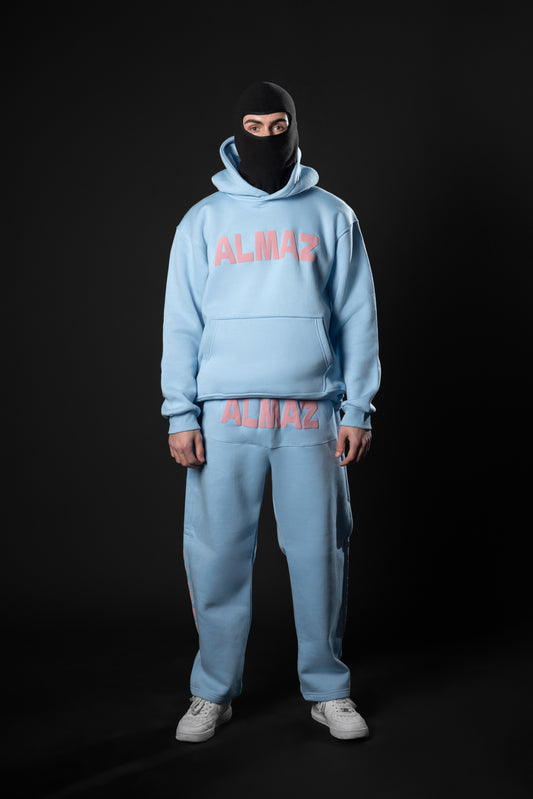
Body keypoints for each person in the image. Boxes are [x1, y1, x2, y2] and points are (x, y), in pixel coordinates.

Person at [161, 80, 381, 742]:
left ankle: (328, 687)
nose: (265, 137)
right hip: (224, 415)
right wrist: (180, 413)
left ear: (293, 128)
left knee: (320, 554)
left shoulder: (331, 215)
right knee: (216, 554)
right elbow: (181, 323)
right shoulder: (203, 221)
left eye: (276, 125)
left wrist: (358, 407)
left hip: (311, 414)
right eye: (253, 126)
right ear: (236, 132)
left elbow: (357, 315)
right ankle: (212, 690)